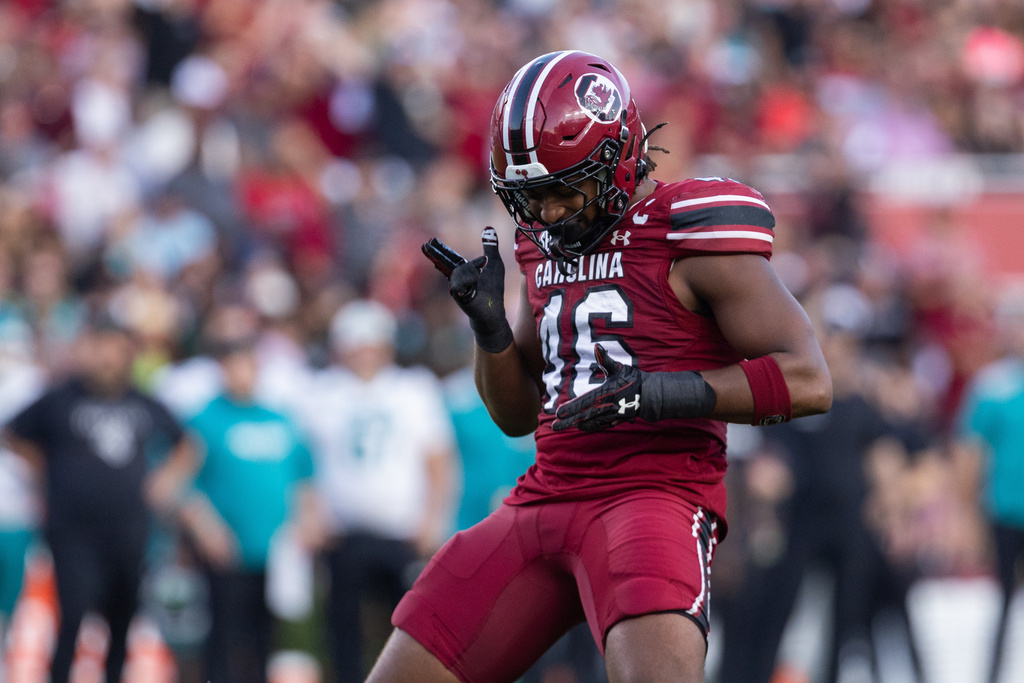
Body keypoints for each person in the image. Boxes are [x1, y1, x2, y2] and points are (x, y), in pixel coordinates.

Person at [369, 50, 833, 683]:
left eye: (563, 190)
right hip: (543, 497)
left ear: (617, 156)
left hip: (655, 495)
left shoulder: (686, 231)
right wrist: (490, 328)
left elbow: (809, 379)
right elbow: (517, 415)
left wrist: (662, 394)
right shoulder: (538, 243)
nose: (550, 214)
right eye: (531, 197)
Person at [2, 311, 197, 683]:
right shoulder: (61, 399)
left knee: (122, 620)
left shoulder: (142, 402)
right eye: (100, 349)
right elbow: (13, 433)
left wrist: (166, 480)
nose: (107, 358)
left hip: (128, 529)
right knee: (73, 617)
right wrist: (43, 468)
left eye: (115, 350)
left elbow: (187, 444)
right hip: (73, 532)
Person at [297, 299, 456, 683]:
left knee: (409, 629)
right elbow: (303, 463)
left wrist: (434, 519)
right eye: (357, 346)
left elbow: (438, 460)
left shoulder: (413, 390)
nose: (365, 354)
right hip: (344, 532)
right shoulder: (321, 393)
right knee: (344, 630)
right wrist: (310, 515)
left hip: (401, 530)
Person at [179, 333, 322, 683]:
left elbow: (303, 477)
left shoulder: (280, 419)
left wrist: (308, 522)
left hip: (274, 551)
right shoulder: (205, 420)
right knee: (223, 639)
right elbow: (180, 483)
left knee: (264, 639)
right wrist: (206, 529)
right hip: (225, 549)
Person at [956, 289, 1024, 683]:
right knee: (1001, 603)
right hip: (1004, 510)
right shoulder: (991, 384)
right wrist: (966, 515)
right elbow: (970, 455)